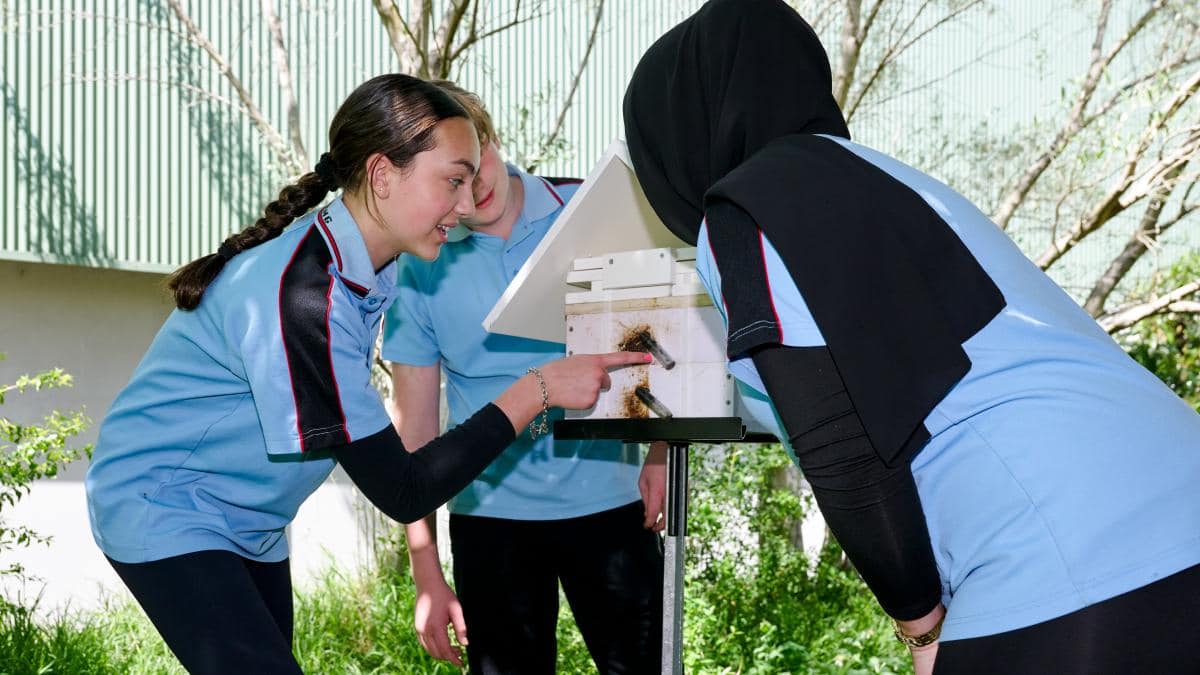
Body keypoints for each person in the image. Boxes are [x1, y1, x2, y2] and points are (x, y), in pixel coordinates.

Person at [622, 1, 1200, 673]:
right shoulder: (880, 183)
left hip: (1066, 552)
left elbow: (841, 444)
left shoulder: (747, 206)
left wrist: (921, 628)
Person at [83, 73, 651, 675]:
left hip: (251, 520)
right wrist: (538, 389)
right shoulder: (304, 297)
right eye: (453, 181)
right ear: (383, 176)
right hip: (167, 504)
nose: (466, 206)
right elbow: (402, 489)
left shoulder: (366, 271)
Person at [381, 80, 666, 675]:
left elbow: (659, 338)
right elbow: (417, 438)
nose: (472, 186)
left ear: (490, 139)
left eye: (474, 160)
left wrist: (661, 452)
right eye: (450, 178)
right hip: (490, 521)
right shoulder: (421, 265)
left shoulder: (584, 210)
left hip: (611, 507)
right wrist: (426, 572)